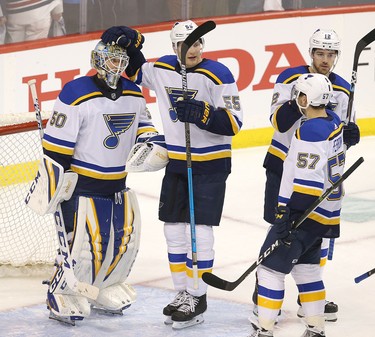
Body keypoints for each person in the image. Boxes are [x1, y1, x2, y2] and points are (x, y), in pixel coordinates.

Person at [101, 20, 243, 329]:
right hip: (179, 162)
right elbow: (135, 70)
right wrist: (126, 38)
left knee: (200, 233)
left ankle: (198, 296)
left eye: (196, 44)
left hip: (210, 164)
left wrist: (204, 114)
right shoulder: (163, 69)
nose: (192, 50)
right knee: (174, 230)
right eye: (185, 45)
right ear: (174, 47)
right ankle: (182, 292)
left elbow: (233, 123)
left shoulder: (219, 73)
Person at [26, 38, 165, 324]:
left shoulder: (133, 93)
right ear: (99, 60)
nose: (120, 66)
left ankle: (105, 286)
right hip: (83, 185)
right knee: (81, 247)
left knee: (119, 243)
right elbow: (56, 147)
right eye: (114, 60)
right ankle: (63, 292)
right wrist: (56, 184)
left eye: (123, 61)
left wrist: (151, 143)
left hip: (117, 183)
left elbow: (144, 126)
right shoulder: (76, 92)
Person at [252, 28, 360, 323]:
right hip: (283, 167)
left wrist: (351, 134)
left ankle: (307, 297)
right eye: (320, 53)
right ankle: (262, 299)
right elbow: (277, 121)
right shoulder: (290, 78)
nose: (326, 60)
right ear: (310, 53)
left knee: (315, 237)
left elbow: (338, 135)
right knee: (279, 232)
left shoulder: (342, 88)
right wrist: (302, 98)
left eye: (331, 54)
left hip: (319, 176)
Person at [250, 73, 345, 337]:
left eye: (299, 95)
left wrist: (289, 218)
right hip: (325, 216)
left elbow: (308, 183)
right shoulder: (332, 122)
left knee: (269, 269)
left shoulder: (310, 131)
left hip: (304, 215)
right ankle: (316, 329)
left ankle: (264, 330)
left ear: (305, 98)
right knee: (307, 270)